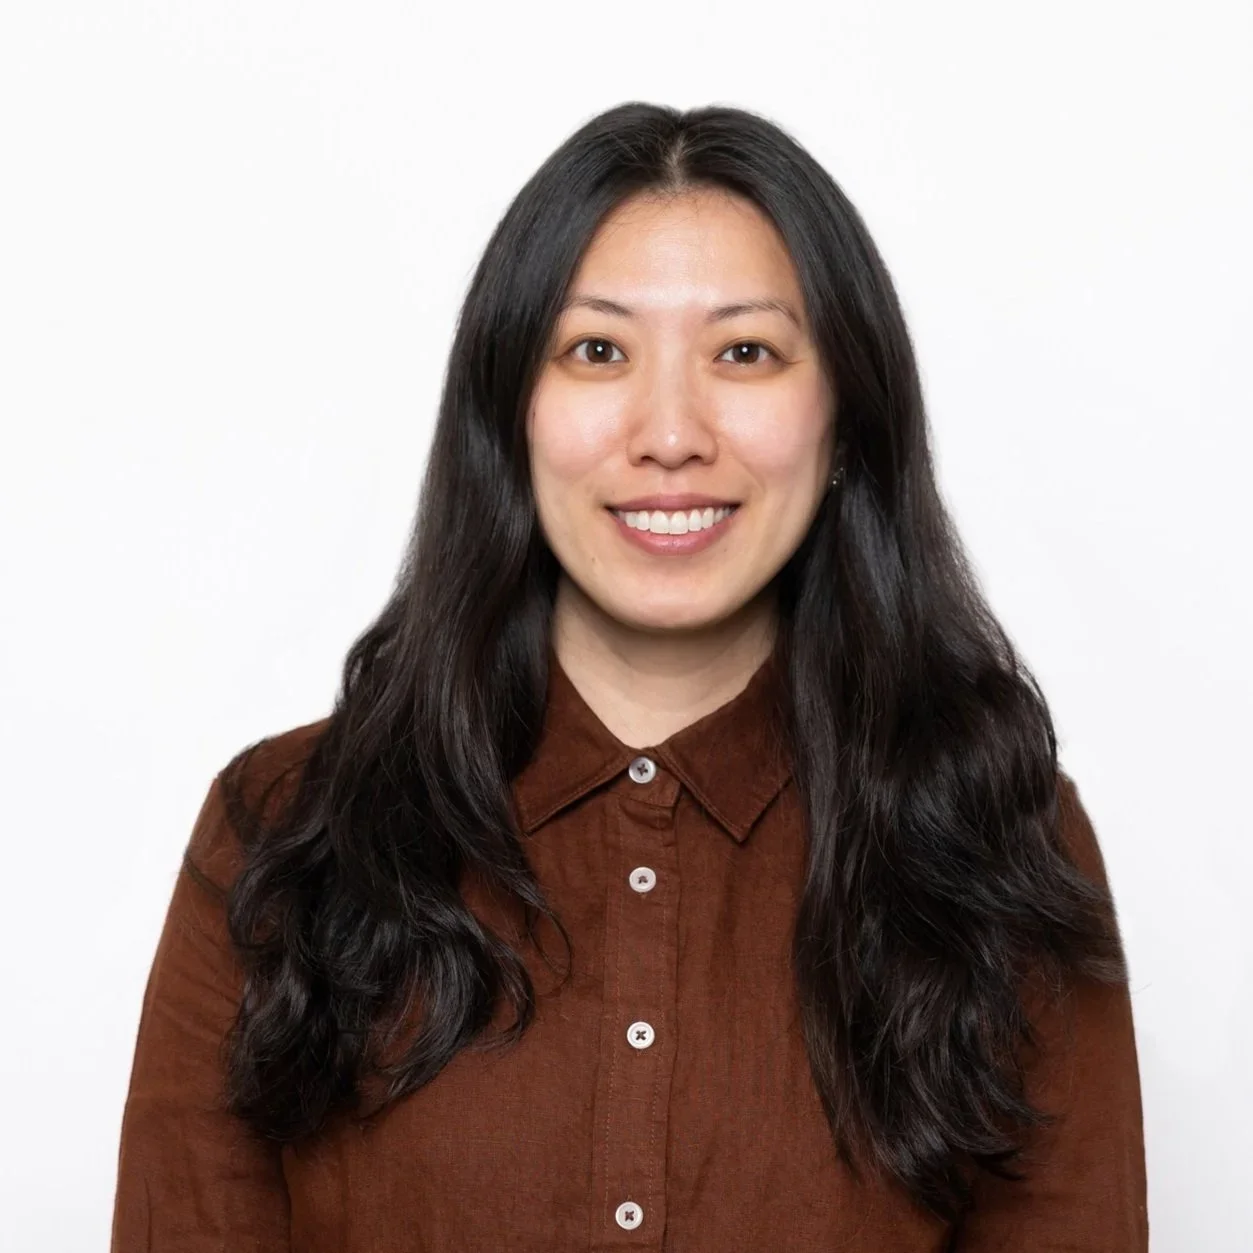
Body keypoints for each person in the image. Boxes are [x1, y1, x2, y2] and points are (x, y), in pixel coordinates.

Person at [111, 101, 1148, 1251]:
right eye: (596, 351)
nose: (669, 432)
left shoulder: (995, 836)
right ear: (508, 411)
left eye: (744, 352)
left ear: (845, 419)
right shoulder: (285, 832)